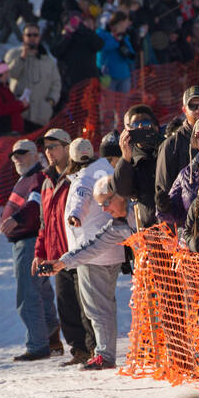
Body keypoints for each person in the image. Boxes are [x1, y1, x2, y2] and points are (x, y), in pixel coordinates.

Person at [39, 172, 134, 371]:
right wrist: (61, 263)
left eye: (106, 203)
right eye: (100, 205)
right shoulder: (117, 225)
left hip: (176, 264)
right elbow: (93, 245)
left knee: (100, 309)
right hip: (155, 270)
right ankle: (105, 355)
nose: (104, 209)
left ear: (119, 195)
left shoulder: (141, 211)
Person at [42, 140, 117, 370]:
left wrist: (75, 216)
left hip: (91, 252)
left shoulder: (83, 176)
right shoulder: (104, 169)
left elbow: (80, 198)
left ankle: (104, 355)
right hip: (110, 250)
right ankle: (104, 352)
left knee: (96, 307)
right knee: (105, 305)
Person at [34, 129, 93, 365]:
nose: (48, 151)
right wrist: (39, 253)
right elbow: (44, 223)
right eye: (46, 147)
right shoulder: (47, 181)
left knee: (86, 305)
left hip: (78, 251)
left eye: (54, 146)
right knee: (67, 306)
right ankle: (79, 351)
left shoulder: (78, 177)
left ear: (68, 147)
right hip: (57, 256)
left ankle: (94, 350)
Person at [1, 138, 60, 360]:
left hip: (29, 241)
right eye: (14, 154)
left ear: (36, 155)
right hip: (31, 240)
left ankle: (37, 344)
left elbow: (35, 205)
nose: (17, 158)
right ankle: (51, 336)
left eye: (22, 153)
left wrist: (16, 218)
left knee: (28, 294)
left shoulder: (36, 177)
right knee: (42, 290)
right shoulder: (27, 178)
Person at [154, 85, 199, 224]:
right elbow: (164, 197)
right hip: (188, 228)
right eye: (193, 106)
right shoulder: (171, 146)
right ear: (184, 110)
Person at [4, 23, 61, 130]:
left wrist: (51, 101)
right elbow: (10, 74)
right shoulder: (13, 54)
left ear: (39, 37)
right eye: (29, 35)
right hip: (20, 113)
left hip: (41, 114)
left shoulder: (47, 59)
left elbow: (56, 83)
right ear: (23, 37)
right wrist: (22, 57)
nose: (32, 38)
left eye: (35, 35)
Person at [115, 104, 161, 226]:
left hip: (174, 224)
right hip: (151, 229)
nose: (140, 127)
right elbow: (123, 191)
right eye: (135, 125)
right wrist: (125, 158)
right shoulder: (130, 157)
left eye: (145, 123)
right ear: (128, 131)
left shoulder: (166, 148)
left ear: (155, 127)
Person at [96, 11, 136, 93]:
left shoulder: (124, 36)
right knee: (108, 103)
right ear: (120, 23)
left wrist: (128, 54)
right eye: (126, 23)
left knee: (123, 103)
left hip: (124, 75)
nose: (127, 25)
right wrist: (116, 41)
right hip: (107, 75)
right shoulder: (102, 33)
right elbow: (101, 47)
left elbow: (131, 54)